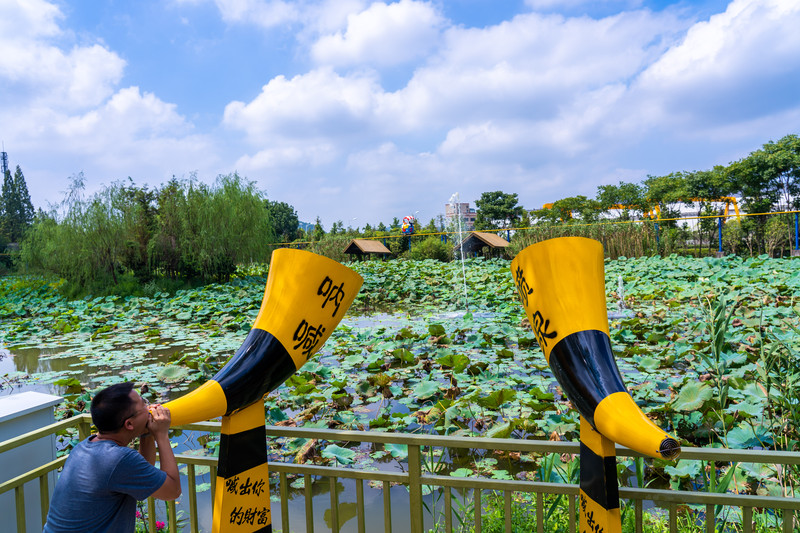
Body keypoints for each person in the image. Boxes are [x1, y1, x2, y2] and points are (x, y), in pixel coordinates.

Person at [43, 382, 181, 533]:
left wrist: (147, 433)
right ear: (129, 424)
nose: (150, 410)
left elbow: (143, 478)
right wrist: (162, 435)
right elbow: (172, 491)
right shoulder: (119, 459)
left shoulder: (84, 447)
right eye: (145, 405)